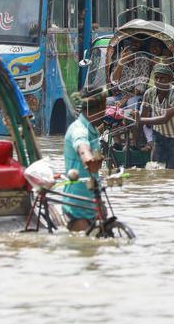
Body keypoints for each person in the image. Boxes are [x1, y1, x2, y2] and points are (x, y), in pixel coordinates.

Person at [62, 91, 106, 232]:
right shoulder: (79, 129)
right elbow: (82, 147)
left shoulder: (92, 129)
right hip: (77, 203)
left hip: (93, 197)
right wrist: (87, 158)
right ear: (99, 108)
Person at [137, 64, 174, 170]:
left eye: (162, 78)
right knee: (153, 170)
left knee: (171, 171)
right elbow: (144, 116)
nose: (158, 81)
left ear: (170, 79)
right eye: (156, 78)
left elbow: (165, 118)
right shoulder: (149, 93)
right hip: (158, 135)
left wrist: (141, 119)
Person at [110, 38, 152, 108]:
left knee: (132, 105)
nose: (133, 44)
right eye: (130, 42)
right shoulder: (120, 59)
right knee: (105, 103)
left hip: (135, 95)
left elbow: (140, 87)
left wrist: (125, 99)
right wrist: (121, 63)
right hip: (120, 94)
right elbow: (114, 80)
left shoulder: (143, 60)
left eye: (137, 42)